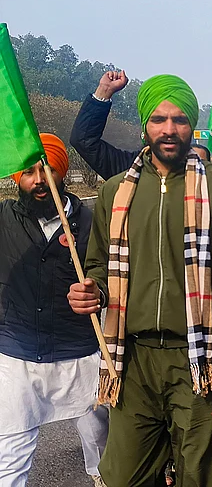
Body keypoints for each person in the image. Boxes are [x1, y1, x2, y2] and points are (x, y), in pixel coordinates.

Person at [66, 74, 212, 486]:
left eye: (178, 120)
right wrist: (93, 291)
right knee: (123, 476)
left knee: (198, 476)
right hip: (133, 361)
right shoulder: (115, 192)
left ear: (192, 125)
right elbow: (100, 264)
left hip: (201, 359)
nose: (169, 129)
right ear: (145, 126)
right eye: (158, 119)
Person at [0, 134, 109, 487]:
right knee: (11, 456)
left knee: (102, 445)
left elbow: (107, 277)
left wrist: (98, 294)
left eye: (46, 169)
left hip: (77, 352)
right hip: (16, 354)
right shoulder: (3, 218)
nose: (38, 180)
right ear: (18, 177)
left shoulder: (91, 222)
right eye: (29, 172)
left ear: (61, 171)